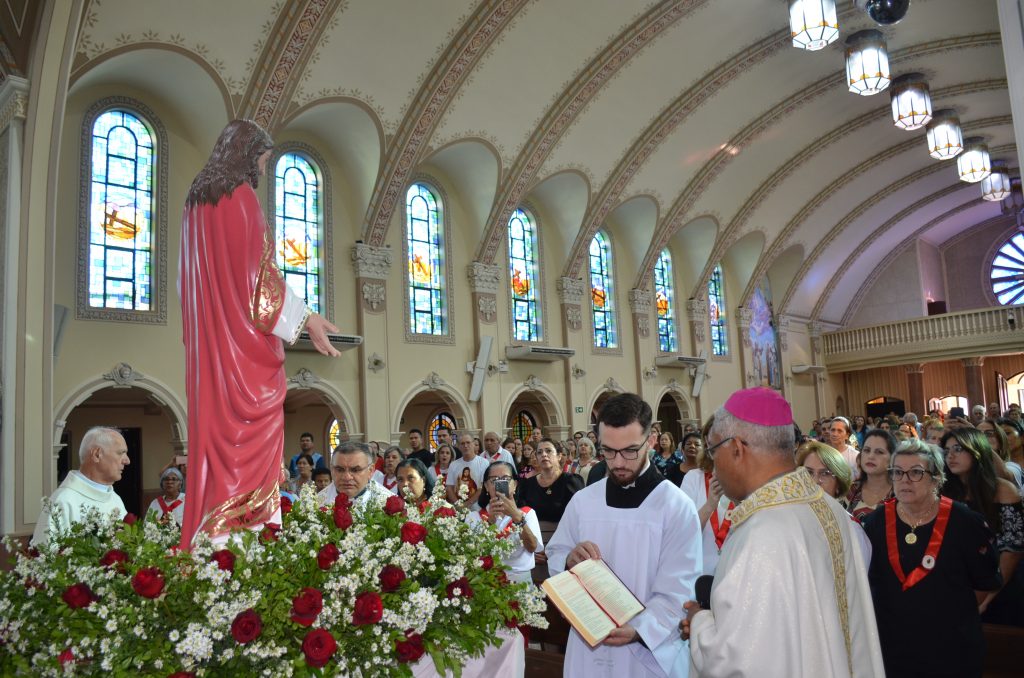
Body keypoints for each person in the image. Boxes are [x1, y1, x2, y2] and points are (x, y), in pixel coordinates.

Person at [178, 120, 339, 548]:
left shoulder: (198, 199)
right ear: (248, 154)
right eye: (264, 161)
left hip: (210, 341)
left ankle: (209, 530)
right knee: (253, 422)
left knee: (215, 429)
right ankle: (240, 533)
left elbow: (197, 280)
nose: (264, 171)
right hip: (241, 347)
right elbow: (258, 283)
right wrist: (308, 320)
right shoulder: (240, 195)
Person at [683, 387, 885, 678]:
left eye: (714, 451)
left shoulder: (762, 531)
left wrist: (699, 621)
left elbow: (737, 663)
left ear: (737, 448)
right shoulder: (831, 510)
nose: (713, 466)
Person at [547, 393, 701, 677]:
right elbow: (556, 553)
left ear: (651, 441)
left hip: (646, 655)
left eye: (630, 451)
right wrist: (568, 559)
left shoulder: (676, 506)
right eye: (608, 451)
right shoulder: (584, 501)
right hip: (587, 648)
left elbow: (679, 589)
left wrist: (639, 629)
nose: (618, 462)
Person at [862, 440, 1001, 678]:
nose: (904, 480)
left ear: (936, 478)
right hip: (893, 650)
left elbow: (983, 584)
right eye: (897, 472)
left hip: (951, 649)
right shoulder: (874, 523)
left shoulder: (965, 522)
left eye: (916, 472)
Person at [941, 428, 1024, 626]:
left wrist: (987, 597)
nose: (950, 455)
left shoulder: (1002, 489)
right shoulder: (944, 491)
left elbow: (1012, 549)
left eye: (958, 449)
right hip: (958, 584)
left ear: (976, 450)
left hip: (1001, 585)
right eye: (946, 450)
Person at [33, 427, 130, 545]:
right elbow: (45, 555)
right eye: (121, 453)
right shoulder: (63, 501)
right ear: (97, 454)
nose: (127, 461)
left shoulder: (115, 500)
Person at [467, 461, 541, 584]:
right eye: (494, 479)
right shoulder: (473, 517)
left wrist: (517, 517)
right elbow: (474, 554)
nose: (499, 483)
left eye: (506, 479)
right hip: (487, 583)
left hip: (521, 583)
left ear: (515, 484)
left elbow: (532, 547)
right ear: (486, 486)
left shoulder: (528, 513)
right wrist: (490, 522)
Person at [679, 435, 732, 577]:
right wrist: (710, 505)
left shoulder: (745, 480)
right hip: (700, 572)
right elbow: (683, 533)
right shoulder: (693, 478)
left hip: (734, 573)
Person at [517, 439, 584, 524]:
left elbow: (581, 513)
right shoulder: (527, 484)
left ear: (559, 456)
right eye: (539, 452)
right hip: (535, 534)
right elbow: (522, 514)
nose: (544, 455)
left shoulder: (571, 481)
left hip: (565, 533)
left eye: (548, 451)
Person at [318, 442, 393, 507]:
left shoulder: (388, 503)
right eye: (340, 470)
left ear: (370, 471)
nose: (347, 477)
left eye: (355, 470)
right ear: (332, 469)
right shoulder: (316, 504)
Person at [846, 429, 896, 521]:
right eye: (866, 450)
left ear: (892, 458)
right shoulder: (852, 490)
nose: (871, 456)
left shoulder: (899, 494)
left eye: (879, 452)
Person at [797, 441, 852, 506]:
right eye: (809, 472)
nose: (815, 481)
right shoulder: (787, 513)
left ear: (839, 483)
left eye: (825, 473)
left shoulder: (843, 516)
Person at [445, 434, 489, 509]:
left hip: (478, 507)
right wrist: (458, 504)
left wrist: (468, 503)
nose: (465, 446)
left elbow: (483, 487)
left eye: (468, 442)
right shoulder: (453, 465)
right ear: (459, 446)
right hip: (458, 508)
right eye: (462, 443)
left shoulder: (484, 463)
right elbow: (449, 487)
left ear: (473, 444)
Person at [979, 418, 1022, 488]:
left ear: (1000, 441)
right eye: (977, 433)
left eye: (989, 433)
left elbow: (1004, 475)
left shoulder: (1012, 466)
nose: (982, 437)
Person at [827, 416, 860, 481]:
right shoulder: (823, 453)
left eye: (840, 431)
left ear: (847, 435)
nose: (835, 434)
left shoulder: (855, 456)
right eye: (833, 430)